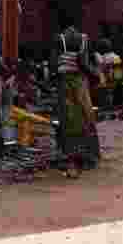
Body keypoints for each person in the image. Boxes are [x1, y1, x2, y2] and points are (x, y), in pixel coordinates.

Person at [51, 18, 100, 176]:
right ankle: (87, 157)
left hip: (64, 84)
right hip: (79, 83)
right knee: (86, 117)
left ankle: (68, 158)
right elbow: (83, 64)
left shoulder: (59, 39)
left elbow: (53, 67)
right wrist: (96, 75)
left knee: (66, 119)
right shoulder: (83, 39)